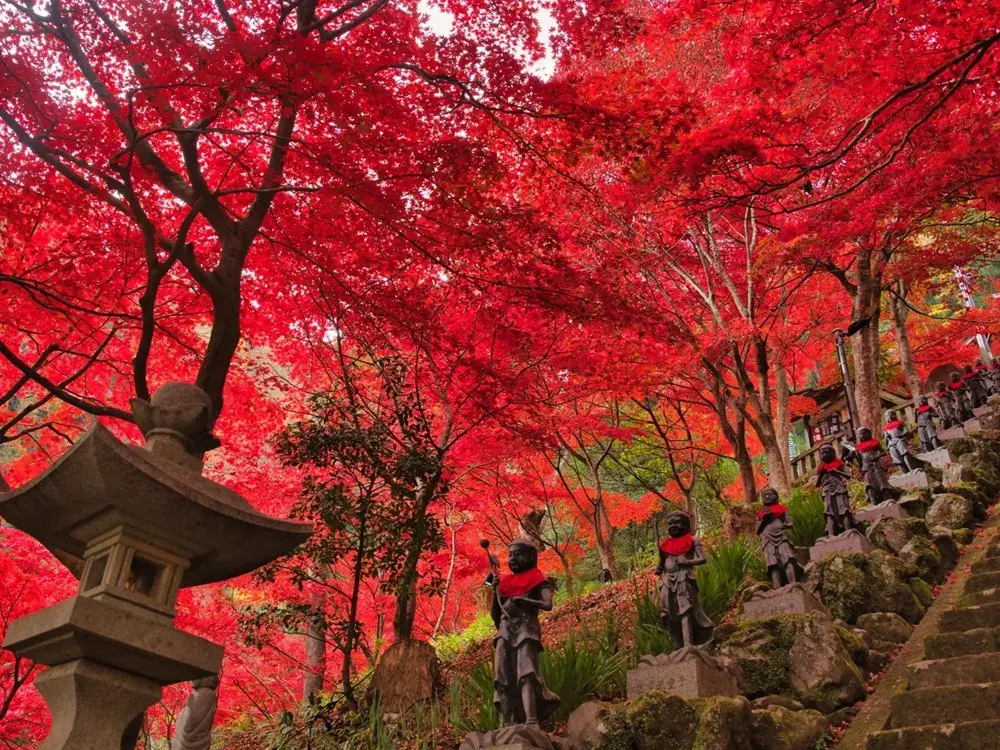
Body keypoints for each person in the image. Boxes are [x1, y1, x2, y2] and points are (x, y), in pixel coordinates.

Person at [490, 538, 560, 727]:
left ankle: (531, 720)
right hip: (505, 631)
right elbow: (495, 614)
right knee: (501, 675)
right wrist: (495, 591)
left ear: (530, 557)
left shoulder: (537, 578)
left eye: (517, 554)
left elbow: (547, 605)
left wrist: (525, 601)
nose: (512, 558)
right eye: (510, 554)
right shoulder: (505, 584)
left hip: (527, 629)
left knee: (526, 671)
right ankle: (510, 723)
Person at [656, 510, 714, 648]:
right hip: (667, 580)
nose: (673, 526)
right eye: (670, 523)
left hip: (684, 577)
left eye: (677, 522)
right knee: (666, 613)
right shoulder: (665, 545)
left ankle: (689, 644)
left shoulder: (692, 540)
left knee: (685, 608)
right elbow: (662, 563)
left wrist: (687, 562)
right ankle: (678, 645)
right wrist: (658, 570)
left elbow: (702, 559)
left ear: (685, 524)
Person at [756, 488, 802, 588]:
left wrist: (783, 526)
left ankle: (793, 584)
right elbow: (757, 530)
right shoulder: (760, 513)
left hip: (781, 535)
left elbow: (790, 523)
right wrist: (764, 519)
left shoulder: (782, 508)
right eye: (764, 496)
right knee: (772, 563)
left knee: (788, 557)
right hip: (767, 537)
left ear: (775, 496)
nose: (767, 497)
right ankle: (777, 587)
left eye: (769, 494)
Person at [850, 427, 899, 505]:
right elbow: (858, 460)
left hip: (876, 465)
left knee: (882, 482)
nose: (862, 436)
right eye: (860, 435)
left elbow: (883, 452)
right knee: (869, 485)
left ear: (868, 434)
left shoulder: (875, 442)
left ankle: (888, 499)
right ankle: (873, 501)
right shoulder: (858, 448)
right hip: (866, 467)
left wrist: (876, 456)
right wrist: (852, 455)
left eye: (863, 434)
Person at [814, 444, 855, 537]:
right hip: (827, 490)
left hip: (839, 488)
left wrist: (837, 472)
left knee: (843, 508)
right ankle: (831, 533)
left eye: (827, 453)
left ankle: (848, 530)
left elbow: (849, 476)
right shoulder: (820, 467)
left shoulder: (839, 463)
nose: (824, 455)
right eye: (822, 453)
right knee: (829, 511)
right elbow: (816, 484)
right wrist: (821, 474)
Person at [171, 676, 219, 750]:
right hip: (185, 737)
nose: (190, 680)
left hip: (191, 738)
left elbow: (192, 721)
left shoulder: (206, 693)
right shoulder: (199, 693)